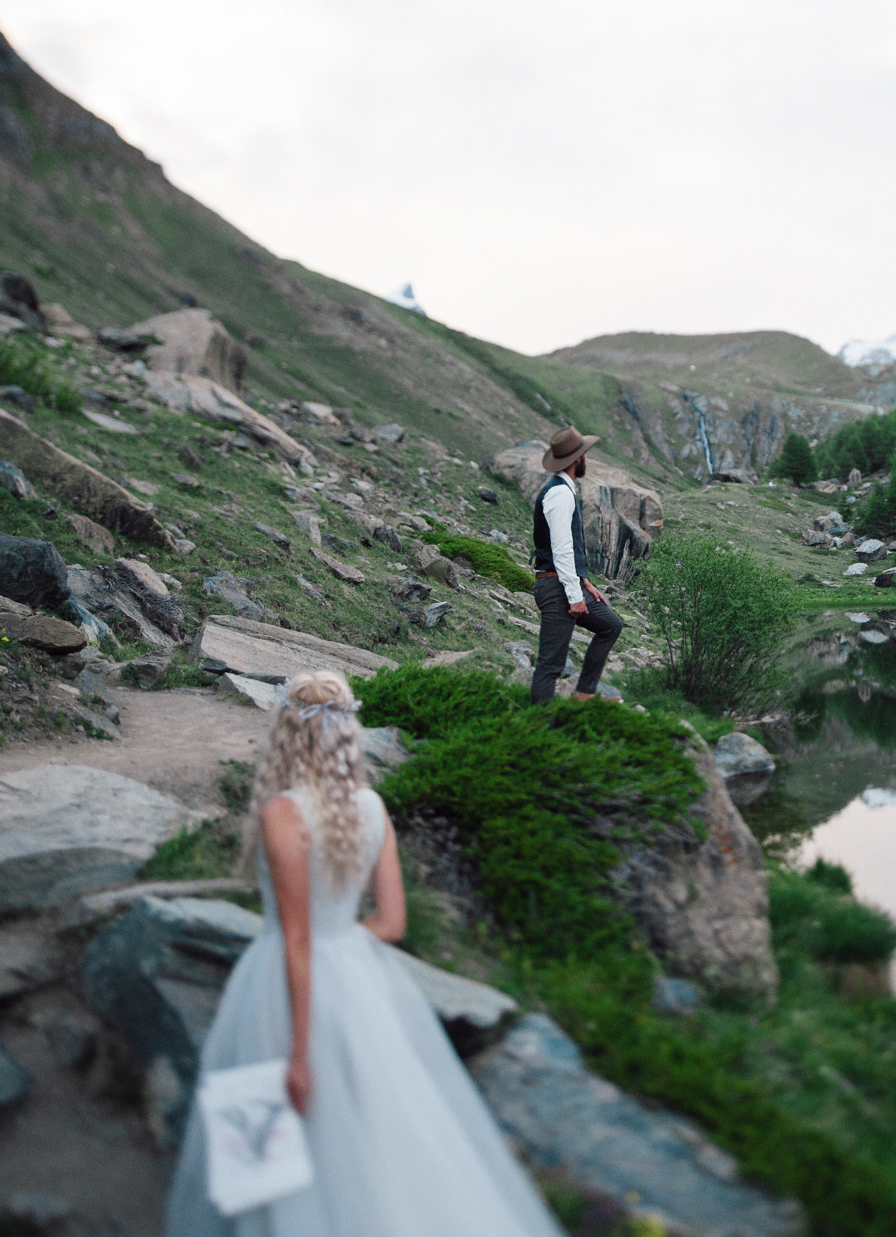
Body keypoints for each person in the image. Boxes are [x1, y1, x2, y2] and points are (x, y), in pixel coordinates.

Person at [164, 670, 563, 1237]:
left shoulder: (284, 813)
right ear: (348, 731)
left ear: (286, 731)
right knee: (366, 1135)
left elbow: (297, 939)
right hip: (357, 983)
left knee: (267, 1135)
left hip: (281, 989)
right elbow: (392, 923)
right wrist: (342, 947)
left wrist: (298, 1056)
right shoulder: (373, 808)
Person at [529, 426, 623, 703]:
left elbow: (567, 548)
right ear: (576, 460)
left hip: (563, 583)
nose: (586, 460)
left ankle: (584, 694)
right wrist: (574, 596)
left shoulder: (564, 490)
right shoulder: (559, 494)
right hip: (556, 588)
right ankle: (538, 731)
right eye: (584, 455)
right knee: (550, 665)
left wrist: (583, 581)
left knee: (610, 625)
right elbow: (561, 549)